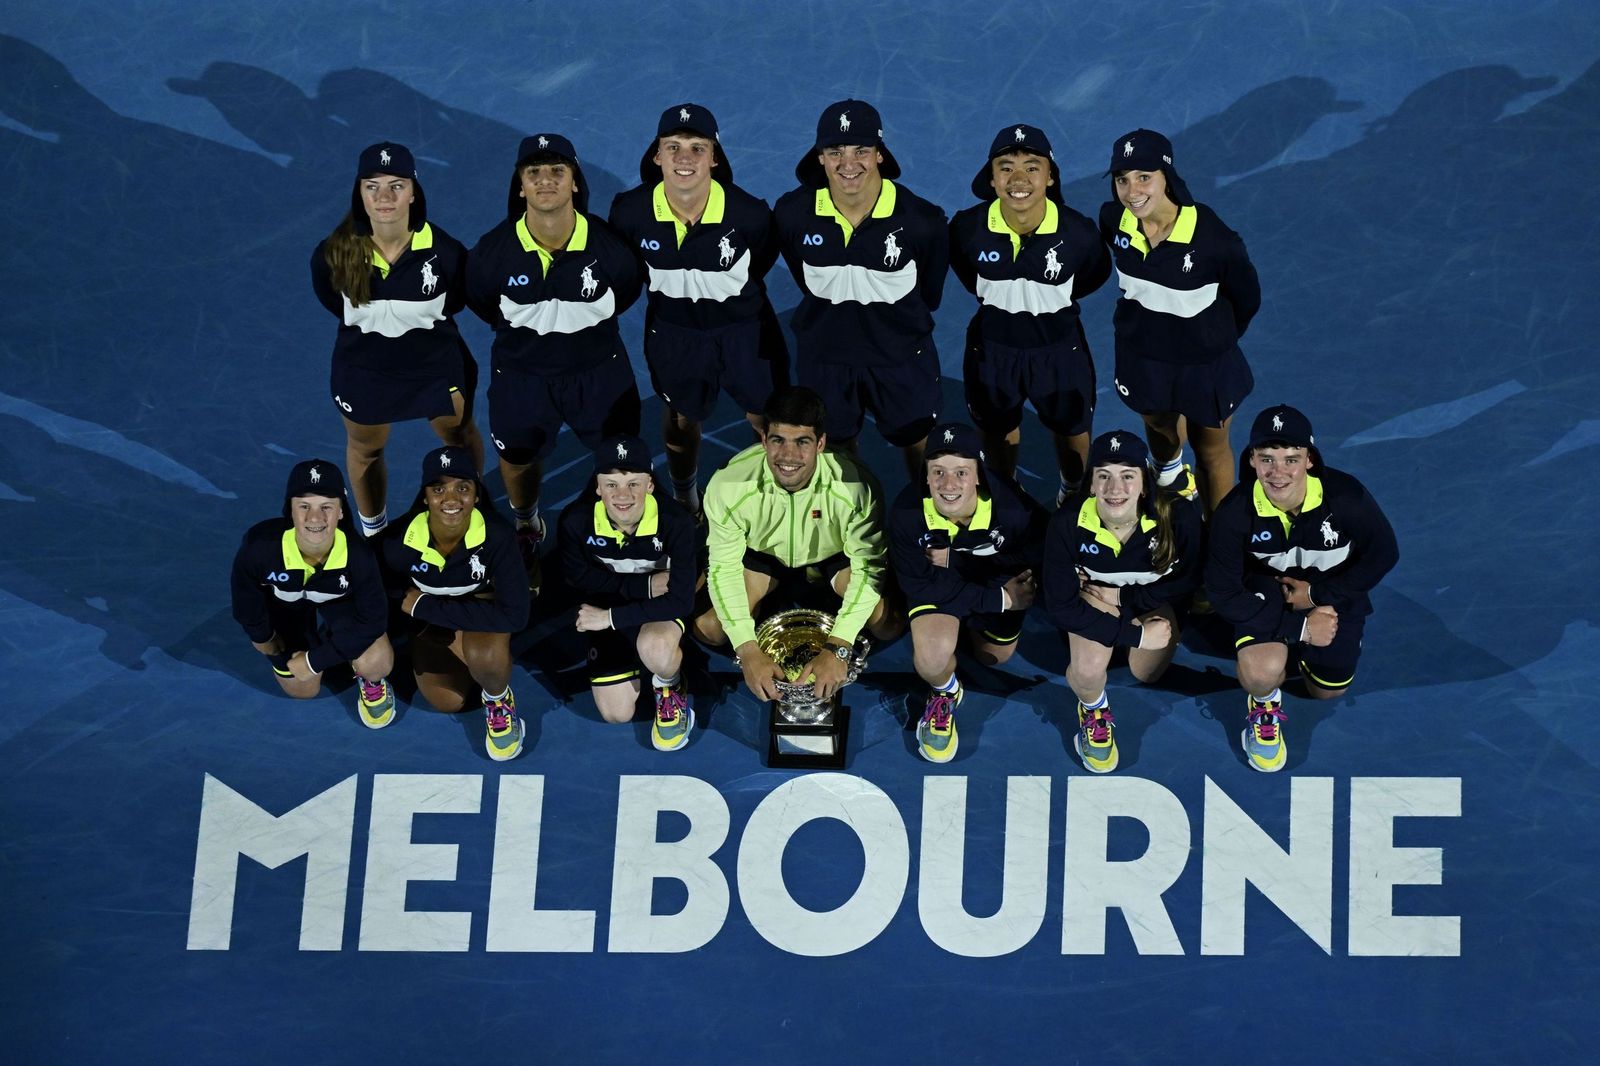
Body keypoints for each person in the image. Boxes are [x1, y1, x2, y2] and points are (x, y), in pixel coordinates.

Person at [466, 133, 644, 588]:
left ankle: (616, 529)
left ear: (575, 183)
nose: (545, 181)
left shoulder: (610, 248)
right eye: (534, 173)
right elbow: (485, 303)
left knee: (619, 461)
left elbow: (625, 292)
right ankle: (527, 524)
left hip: (599, 373)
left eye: (557, 172)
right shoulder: (491, 254)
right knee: (518, 459)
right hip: (522, 378)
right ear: (520, 185)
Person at [607, 103, 787, 514]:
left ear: (714, 158)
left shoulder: (750, 214)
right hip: (675, 334)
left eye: (697, 148)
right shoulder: (630, 212)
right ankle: (685, 496)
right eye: (673, 147)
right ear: (657, 156)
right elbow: (628, 269)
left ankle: (776, 498)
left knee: (765, 417)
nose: (684, 158)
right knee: (682, 418)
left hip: (745, 331)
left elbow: (759, 264)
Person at [1204, 404, 1398, 772]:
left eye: (1290, 459)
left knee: (1327, 691)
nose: (1278, 472)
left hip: (1331, 591)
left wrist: (1316, 597)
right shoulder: (1234, 513)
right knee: (1261, 673)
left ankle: (1300, 650)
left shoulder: (1346, 498)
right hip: (1266, 594)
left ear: (1309, 460)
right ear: (1252, 460)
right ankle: (1264, 702)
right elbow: (1224, 595)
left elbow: (1383, 554)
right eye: (1267, 459)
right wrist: (1303, 628)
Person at [310, 142, 485, 538]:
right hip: (365, 371)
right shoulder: (332, 255)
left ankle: (476, 512)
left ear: (413, 192)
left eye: (396, 185)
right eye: (372, 187)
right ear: (359, 193)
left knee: (458, 436)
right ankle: (375, 533)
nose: (384, 197)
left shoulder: (446, 254)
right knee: (366, 450)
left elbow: (456, 301)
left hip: (434, 368)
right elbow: (334, 303)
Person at [773, 99, 949, 481]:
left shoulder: (923, 221)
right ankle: (850, 511)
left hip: (900, 354)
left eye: (861, 150)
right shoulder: (792, 214)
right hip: (826, 355)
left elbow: (928, 294)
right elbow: (806, 279)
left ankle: (924, 507)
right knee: (835, 446)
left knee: (917, 438)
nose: (848, 163)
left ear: (880, 154)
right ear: (820, 157)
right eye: (835, 151)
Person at [693, 385, 903, 702]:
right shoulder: (728, 485)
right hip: (762, 558)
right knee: (709, 627)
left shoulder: (857, 487)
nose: (788, 456)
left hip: (833, 557)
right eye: (778, 440)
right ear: (764, 439)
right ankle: (764, 615)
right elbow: (724, 567)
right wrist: (747, 649)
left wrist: (839, 646)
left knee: (889, 624)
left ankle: (822, 610)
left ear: (820, 444)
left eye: (802, 442)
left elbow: (868, 568)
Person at [1099, 129, 1261, 514]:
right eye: (1122, 179)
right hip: (1143, 354)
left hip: (1204, 363)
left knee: (1210, 449)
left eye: (1144, 177)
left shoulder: (1215, 241)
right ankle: (1169, 473)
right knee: (1158, 422)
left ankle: (1218, 534)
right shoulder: (1114, 221)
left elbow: (1246, 298)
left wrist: (1212, 339)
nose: (1132, 191)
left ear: (1167, 176)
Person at [949, 124, 1111, 505]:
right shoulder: (967, 229)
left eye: (1032, 168)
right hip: (993, 350)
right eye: (1006, 168)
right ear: (991, 178)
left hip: (1059, 351)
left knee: (1072, 429)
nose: (1018, 179)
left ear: (1050, 177)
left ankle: (1072, 493)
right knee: (996, 428)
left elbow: (1094, 273)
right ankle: (1005, 495)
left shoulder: (1079, 234)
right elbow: (967, 271)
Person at [1042, 430, 1203, 772]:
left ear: (1145, 484)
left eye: (1128, 476)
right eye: (1104, 476)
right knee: (1086, 672)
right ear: (1091, 484)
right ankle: (1094, 710)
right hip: (1095, 603)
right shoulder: (1067, 523)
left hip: (1151, 603)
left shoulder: (1179, 517)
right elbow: (1060, 607)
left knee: (1146, 673)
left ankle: (1123, 639)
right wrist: (1135, 636)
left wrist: (1126, 596)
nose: (1115, 489)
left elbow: (1189, 580)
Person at [888, 422, 1046, 763]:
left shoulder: (1013, 510)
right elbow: (918, 585)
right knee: (931, 659)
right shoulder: (906, 513)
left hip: (993, 580)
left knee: (994, 657)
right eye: (938, 472)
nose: (949, 484)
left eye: (961, 472)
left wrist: (960, 562)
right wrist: (1001, 599)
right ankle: (945, 692)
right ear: (926, 475)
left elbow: (1042, 554)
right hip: (962, 589)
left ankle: (965, 629)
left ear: (978, 475)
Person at [380, 446, 531, 761]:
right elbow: (386, 591)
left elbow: (515, 616)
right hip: (431, 625)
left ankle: (498, 700)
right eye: (438, 489)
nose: (450, 499)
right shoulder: (396, 541)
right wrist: (422, 626)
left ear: (476, 495)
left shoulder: (497, 536)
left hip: (472, 613)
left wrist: (427, 609)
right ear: (425, 497)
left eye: (462, 488)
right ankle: (459, 648)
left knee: (485, 657)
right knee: (446, 701)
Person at [557, 435, 699, 751]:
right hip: (614, 607)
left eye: (633, 483)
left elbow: (680, 600)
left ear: (650, 485)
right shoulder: (576, 521)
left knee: (656, 649)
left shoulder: (676, 522)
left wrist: (610, 618)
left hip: (646, 610)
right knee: (616, 713)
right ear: (597, 487)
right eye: (612, 485)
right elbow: (577, 578)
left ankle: (669, 684)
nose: (623, 495)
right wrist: (643, 586)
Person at [230, 459, 396, 727]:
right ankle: (315, 641)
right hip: (284, 608)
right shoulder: (259, 547)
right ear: (290, 509)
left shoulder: (359, 556)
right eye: (304, 506)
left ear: (341, 511)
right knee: (303, 690)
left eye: (326, 506)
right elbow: (244, 598)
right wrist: (262, 635)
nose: (315, 518)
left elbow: (374, 621)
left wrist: (313, 661)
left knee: (377, 662)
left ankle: (366, 677)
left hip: (341, 604)